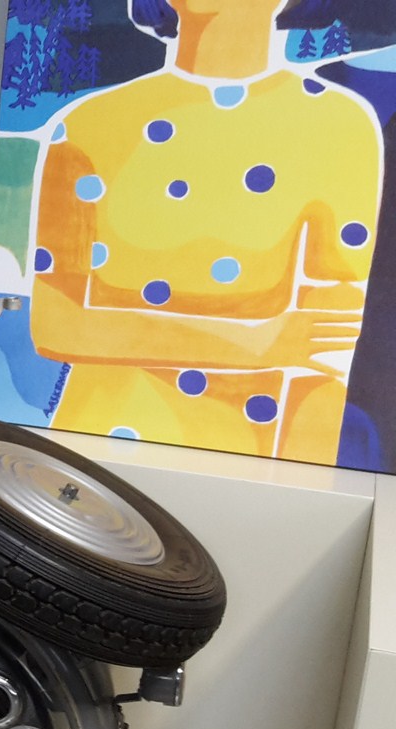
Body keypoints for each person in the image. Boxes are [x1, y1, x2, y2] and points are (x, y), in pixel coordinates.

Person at [28, 0, 381, 464]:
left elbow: (324, 355)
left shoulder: (338, 126)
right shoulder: (87, 124)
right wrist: (254, 342)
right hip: (87, 448)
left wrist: (302, 487)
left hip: (241, 460)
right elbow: (56, 326)